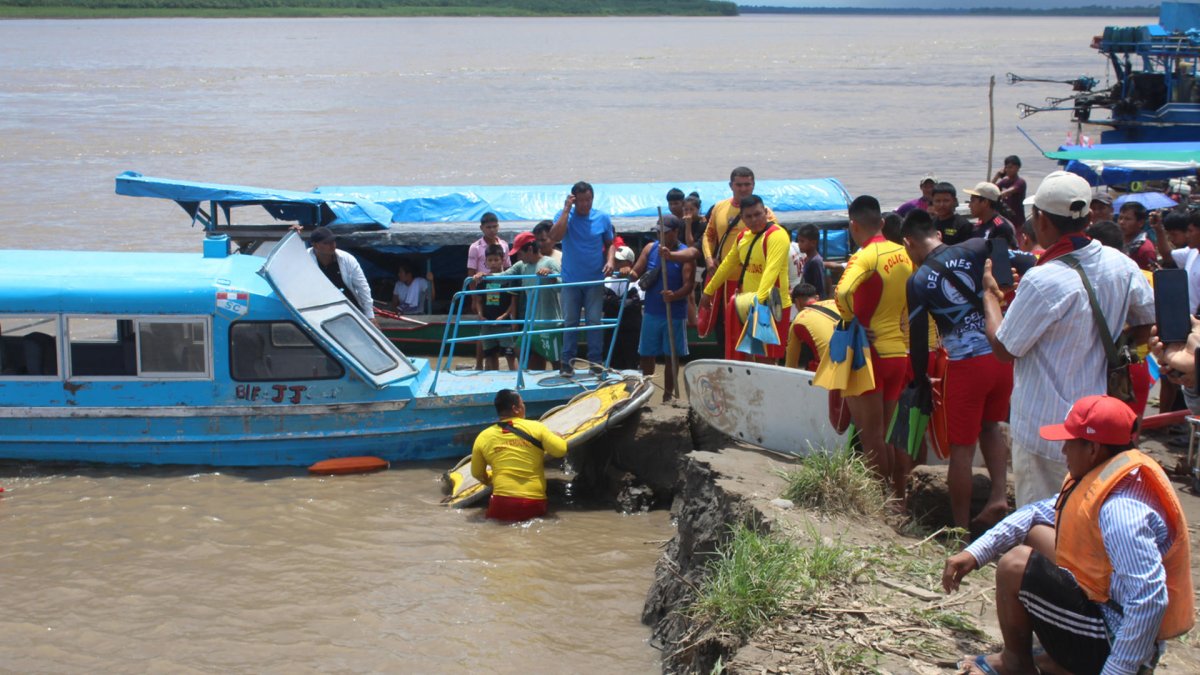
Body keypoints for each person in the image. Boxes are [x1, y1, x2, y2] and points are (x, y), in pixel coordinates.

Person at [942, 395, 1194, 675]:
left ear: (1093, 449)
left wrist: (1117, 670)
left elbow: (1149, 599)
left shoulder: (1121, 511)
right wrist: (976, 552)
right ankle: (1055, 660)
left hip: (1115, 635)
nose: (1063, 451)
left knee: (1015, 564)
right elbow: (1035, 514)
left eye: (1070, 443)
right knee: (1037, 533)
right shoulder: (1105, 475)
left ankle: (1022, 663)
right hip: (1104, 606)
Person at [982, 171, 1155, 506]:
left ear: (1041, 220)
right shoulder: (1121, 264)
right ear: (1089, 217)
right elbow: (1145, 319)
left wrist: (989, 298)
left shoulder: (1043, 279)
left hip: (1045, 426)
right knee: (1082, 514)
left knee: (1041, 521)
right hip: (1096, 421)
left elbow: (1004, 349)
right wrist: (1120, 353)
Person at [901, 209, 1033, 531]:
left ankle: (961, 531)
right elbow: (1025, 258)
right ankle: (999, 496)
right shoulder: (975, 246)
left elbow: (919, 341)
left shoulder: (917, 281)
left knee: (961, 448)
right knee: (991, 427)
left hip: (966, 364)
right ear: (937, 232)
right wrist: (1003, 280)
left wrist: (920, 382)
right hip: (1001, 357)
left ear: (908, 243)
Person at [833, 195, 913, 497]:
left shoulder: (864, 256)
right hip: (897, 353)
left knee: (871, 437)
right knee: (891, 435)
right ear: (881, 222)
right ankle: (898, 498)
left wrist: (853, 320)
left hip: (869, 354)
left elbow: (842, 292)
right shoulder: (904, 253)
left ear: (853, 226)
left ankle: (879, 502)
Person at [700, 194, 792, 362]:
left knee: (767, 363)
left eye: (758, 214)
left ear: (765, 212)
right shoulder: (743, 236)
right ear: (742, 218)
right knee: (748, 360)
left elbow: (771, 271)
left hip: (772, 306)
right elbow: (727, 265)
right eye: (748, 216)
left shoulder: (777, 235)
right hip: (747, 305)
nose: (754, 219)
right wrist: (708, 291)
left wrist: (759, 302)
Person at [701, 167, 776, 355]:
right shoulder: (719, 208)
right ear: (731, 185)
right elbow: (708, 236)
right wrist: (709, 259)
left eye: (747, 184)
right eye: (739, 185)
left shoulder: (765, 213)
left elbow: (775, 247)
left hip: (752, 281)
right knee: (723, 330)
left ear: (753, 185)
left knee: (750, 331)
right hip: (723, 280)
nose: (743, 189)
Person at [471, 389, 568, 522]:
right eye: (522, 403)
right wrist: (557, 437)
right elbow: (561, 450)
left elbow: (476, 473)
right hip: (533, 502)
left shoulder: (483, 437)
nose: (524, 406)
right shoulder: (537, 427)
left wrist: (493, 480)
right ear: (515, 409)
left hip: (501, 504)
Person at [550, 181, 616, 376]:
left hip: (595, 280)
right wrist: (566, 210)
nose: (586, 204)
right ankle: (567, 364)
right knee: (570, 322)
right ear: (574, 200)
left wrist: (611, 261)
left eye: (589, 199)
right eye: (581, 200)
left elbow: (610, 243)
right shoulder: (565, 216)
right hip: (571, 280)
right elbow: (555, 236)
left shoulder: (602, 217)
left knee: (594, 322)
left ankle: (595, 363)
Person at [478, 231, 562, 370]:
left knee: (556, 360)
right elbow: (504, 275)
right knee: (519, 348)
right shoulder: (521, 266)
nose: (518, 256)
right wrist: (484, 276)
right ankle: (532, 383)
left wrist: (551, 275)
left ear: (529, 249)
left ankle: (562, 383)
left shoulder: (549, 263)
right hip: (531, 322)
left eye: (520, 253)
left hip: (549, 322)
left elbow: (561, 287)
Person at [632, 215, 694, 402]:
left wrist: (674, 295)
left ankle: (668, 395)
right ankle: (645, 393)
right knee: (646, 354)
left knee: (671, 356)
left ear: (675, 232)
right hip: (651, 311)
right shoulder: (650, 248)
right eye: (659, 232)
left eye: (665, 232)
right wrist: (630, 272)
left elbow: (689, 285)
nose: (661, 236)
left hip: (674, 314)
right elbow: (637, 270)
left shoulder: (685, 254)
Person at [307, 226, 376, 323]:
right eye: (327, 243)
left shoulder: (347, 259)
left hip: (350, 309)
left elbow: (362, 287)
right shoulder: (305, 260)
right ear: (315, 245)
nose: (332, 245)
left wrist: (370, 316)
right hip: (320, 312)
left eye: (333, 241)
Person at [473, 244, 517, 371]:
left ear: (502, 260)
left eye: (496, 260)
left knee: (510, 355)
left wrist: (504, 316)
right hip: (488, 323)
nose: (493, 263)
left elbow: (513, 301)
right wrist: (480, 315)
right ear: (485, 262)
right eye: (490, 260)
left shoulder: (509, 279)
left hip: (504, 324)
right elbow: (479, 300)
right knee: (490, 355)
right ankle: (493, 381)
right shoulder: (483, 280)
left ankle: (516, 380)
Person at [784, 283, 839, 371]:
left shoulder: (798, 321)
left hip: (832, 371)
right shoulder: (834, 302)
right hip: (857, 360)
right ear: (817, 297)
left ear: (797, 302)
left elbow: (791, 365)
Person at [964, 181, 1017, 248]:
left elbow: (1003, 256)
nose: (969, 205)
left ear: (985, 202)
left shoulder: (1001, 227)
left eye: (973, 201)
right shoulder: (977, 226)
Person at [1117, 201, 1158, 270]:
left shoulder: (1145, 250)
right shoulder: (1116, 242)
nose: (1122, 222)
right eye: (1120, 218)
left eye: (1127, 219)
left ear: (1141, 223)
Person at [993, 155, 1027, 229]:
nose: (1008, 169)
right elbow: (989, 189)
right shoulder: (1004, 181)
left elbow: (1007, 192)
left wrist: (996, 195)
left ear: (1018, 168)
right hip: (1004, 219)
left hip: (1017, 221)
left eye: (1011, 167)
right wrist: (997, 176)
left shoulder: (1020, 182)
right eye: (1006, 167)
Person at [796, 224, 826, 299]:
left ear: (813, 243)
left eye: (802, 241)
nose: (799, 244)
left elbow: (820, 289)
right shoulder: (808, 259)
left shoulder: (815, 262)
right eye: (798, 241)